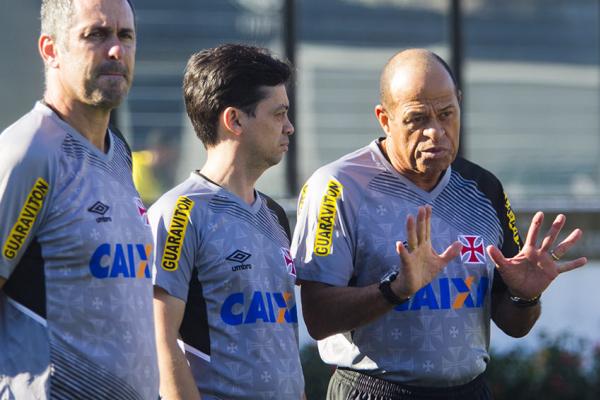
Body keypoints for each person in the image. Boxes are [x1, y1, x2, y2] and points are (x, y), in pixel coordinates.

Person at [291, 48, 587, 399]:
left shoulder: (483, 188)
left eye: (447, 114)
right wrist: (395, 289)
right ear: (385, 119)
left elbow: (514, 324)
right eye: (417, 119)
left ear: (459, 103)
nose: (435, 131)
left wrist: (526, 296)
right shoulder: (338, 186)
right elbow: (318, 318)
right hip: (374, 390)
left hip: (470, 391)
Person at [0, 0, 159, 398]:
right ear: (50, 49)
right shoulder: (30, 153)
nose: (116, 50)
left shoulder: (119, 153)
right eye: (96, 35)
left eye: (126, 35)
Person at [149, 44, 305, 400]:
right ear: (234, 120)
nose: (290, 127)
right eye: (279, 114)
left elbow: (283, 345)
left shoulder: (274, 214)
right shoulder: (180, 213)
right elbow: (159, 340)